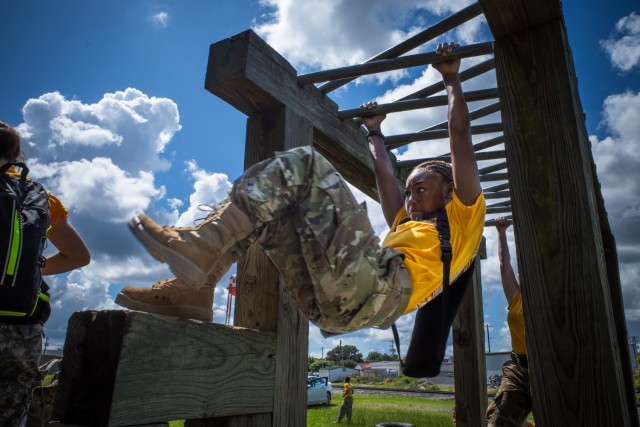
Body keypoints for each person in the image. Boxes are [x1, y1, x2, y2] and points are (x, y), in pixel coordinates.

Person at [116, 42, 485, 338]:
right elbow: (383, 171)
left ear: (451, 189)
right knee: (271, 212)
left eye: (420, 188)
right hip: (335, 308)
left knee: (307, 166)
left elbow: (460, 139)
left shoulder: (463, 217)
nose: (410, 198)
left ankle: (198, 244)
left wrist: (451, 79)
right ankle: (195, 288)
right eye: (409, 192)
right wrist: (374, 130)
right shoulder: (405, 222)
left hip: (380, 287)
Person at [0, 121, 91, 427]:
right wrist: (35, 267)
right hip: (20, 330)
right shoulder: (39, 197)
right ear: (15, 153)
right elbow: (79, 256)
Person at [485, 217, 534, 427]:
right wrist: (501, 232)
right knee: (496, 420)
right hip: (519, 369)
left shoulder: (550, 301)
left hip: (548, 367)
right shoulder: (516, 298)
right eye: (521, 273)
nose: (522, 276)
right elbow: (505, 262)